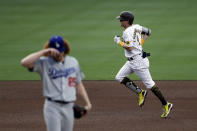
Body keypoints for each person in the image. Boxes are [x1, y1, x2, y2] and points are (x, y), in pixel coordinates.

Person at [21, 36, 92, 131]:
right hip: (52, 106)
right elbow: (24, 62)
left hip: (69, 106)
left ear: (65, 49)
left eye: (61, 51)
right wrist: (43, 52)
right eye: (56, 52)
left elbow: (78, 84)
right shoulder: (43, 63)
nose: (59, 54)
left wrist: (88, 103)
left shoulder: (73, 62)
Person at [114, 11, 173, 118]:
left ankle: (166, 104)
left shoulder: (127, 32)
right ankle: (140, 92)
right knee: (119, 77)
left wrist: (119, 42)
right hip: (132, 61)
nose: (120, 21)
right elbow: (148, 32)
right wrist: (140, 43)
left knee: (150, 84)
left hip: (138, 62)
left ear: (127, 21)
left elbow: (130, 48)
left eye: (121, 19)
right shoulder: (136, 27)